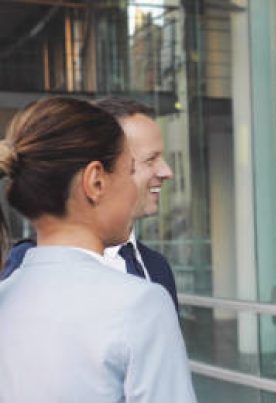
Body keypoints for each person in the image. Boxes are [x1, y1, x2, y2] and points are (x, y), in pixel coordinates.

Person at [0, 97, 215, 403]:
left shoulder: (6, 299)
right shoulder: (139, 306)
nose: (136, 189)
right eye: (130, 170)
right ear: (96, 181)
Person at [0, 97, 178, 310]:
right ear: (96, 178)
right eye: (149, 160)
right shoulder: (22, 270)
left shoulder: (157, 267)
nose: (167, 172)